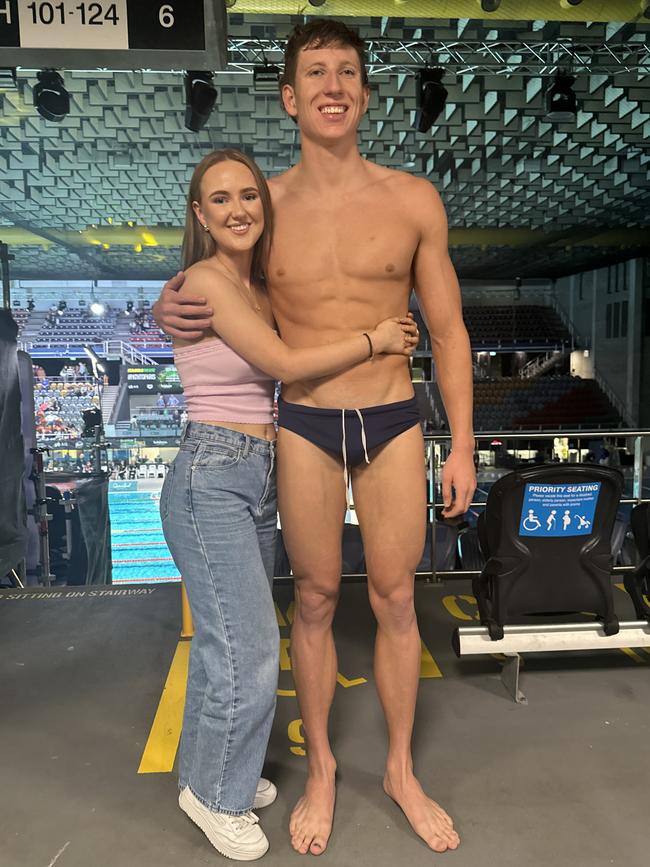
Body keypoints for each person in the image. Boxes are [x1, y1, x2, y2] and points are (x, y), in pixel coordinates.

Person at [154, 19, 475, 857]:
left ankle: (401, 769)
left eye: (348, 72)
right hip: (301, 420)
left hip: (395, 417)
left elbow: (448, 332)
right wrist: (162, 306)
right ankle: (325, 767)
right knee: (320, 599)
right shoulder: (266, 209)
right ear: (291, 97)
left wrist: (467, 444)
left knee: (398, 596)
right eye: (315, 73)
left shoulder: (413, 200)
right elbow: (207, 276)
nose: (333, 86)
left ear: (364, 93)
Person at [160, 147, 417, 862]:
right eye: (221, 199)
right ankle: (215, 797)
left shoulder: (256, 286)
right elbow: (284, 365)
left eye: (249, 195)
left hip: (255, 470)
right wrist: (376, 337)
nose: (239, 208)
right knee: (245, 649)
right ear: (199, 214)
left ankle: (207, 773)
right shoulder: (207, 280)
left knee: (223, 650)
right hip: (211, 471)